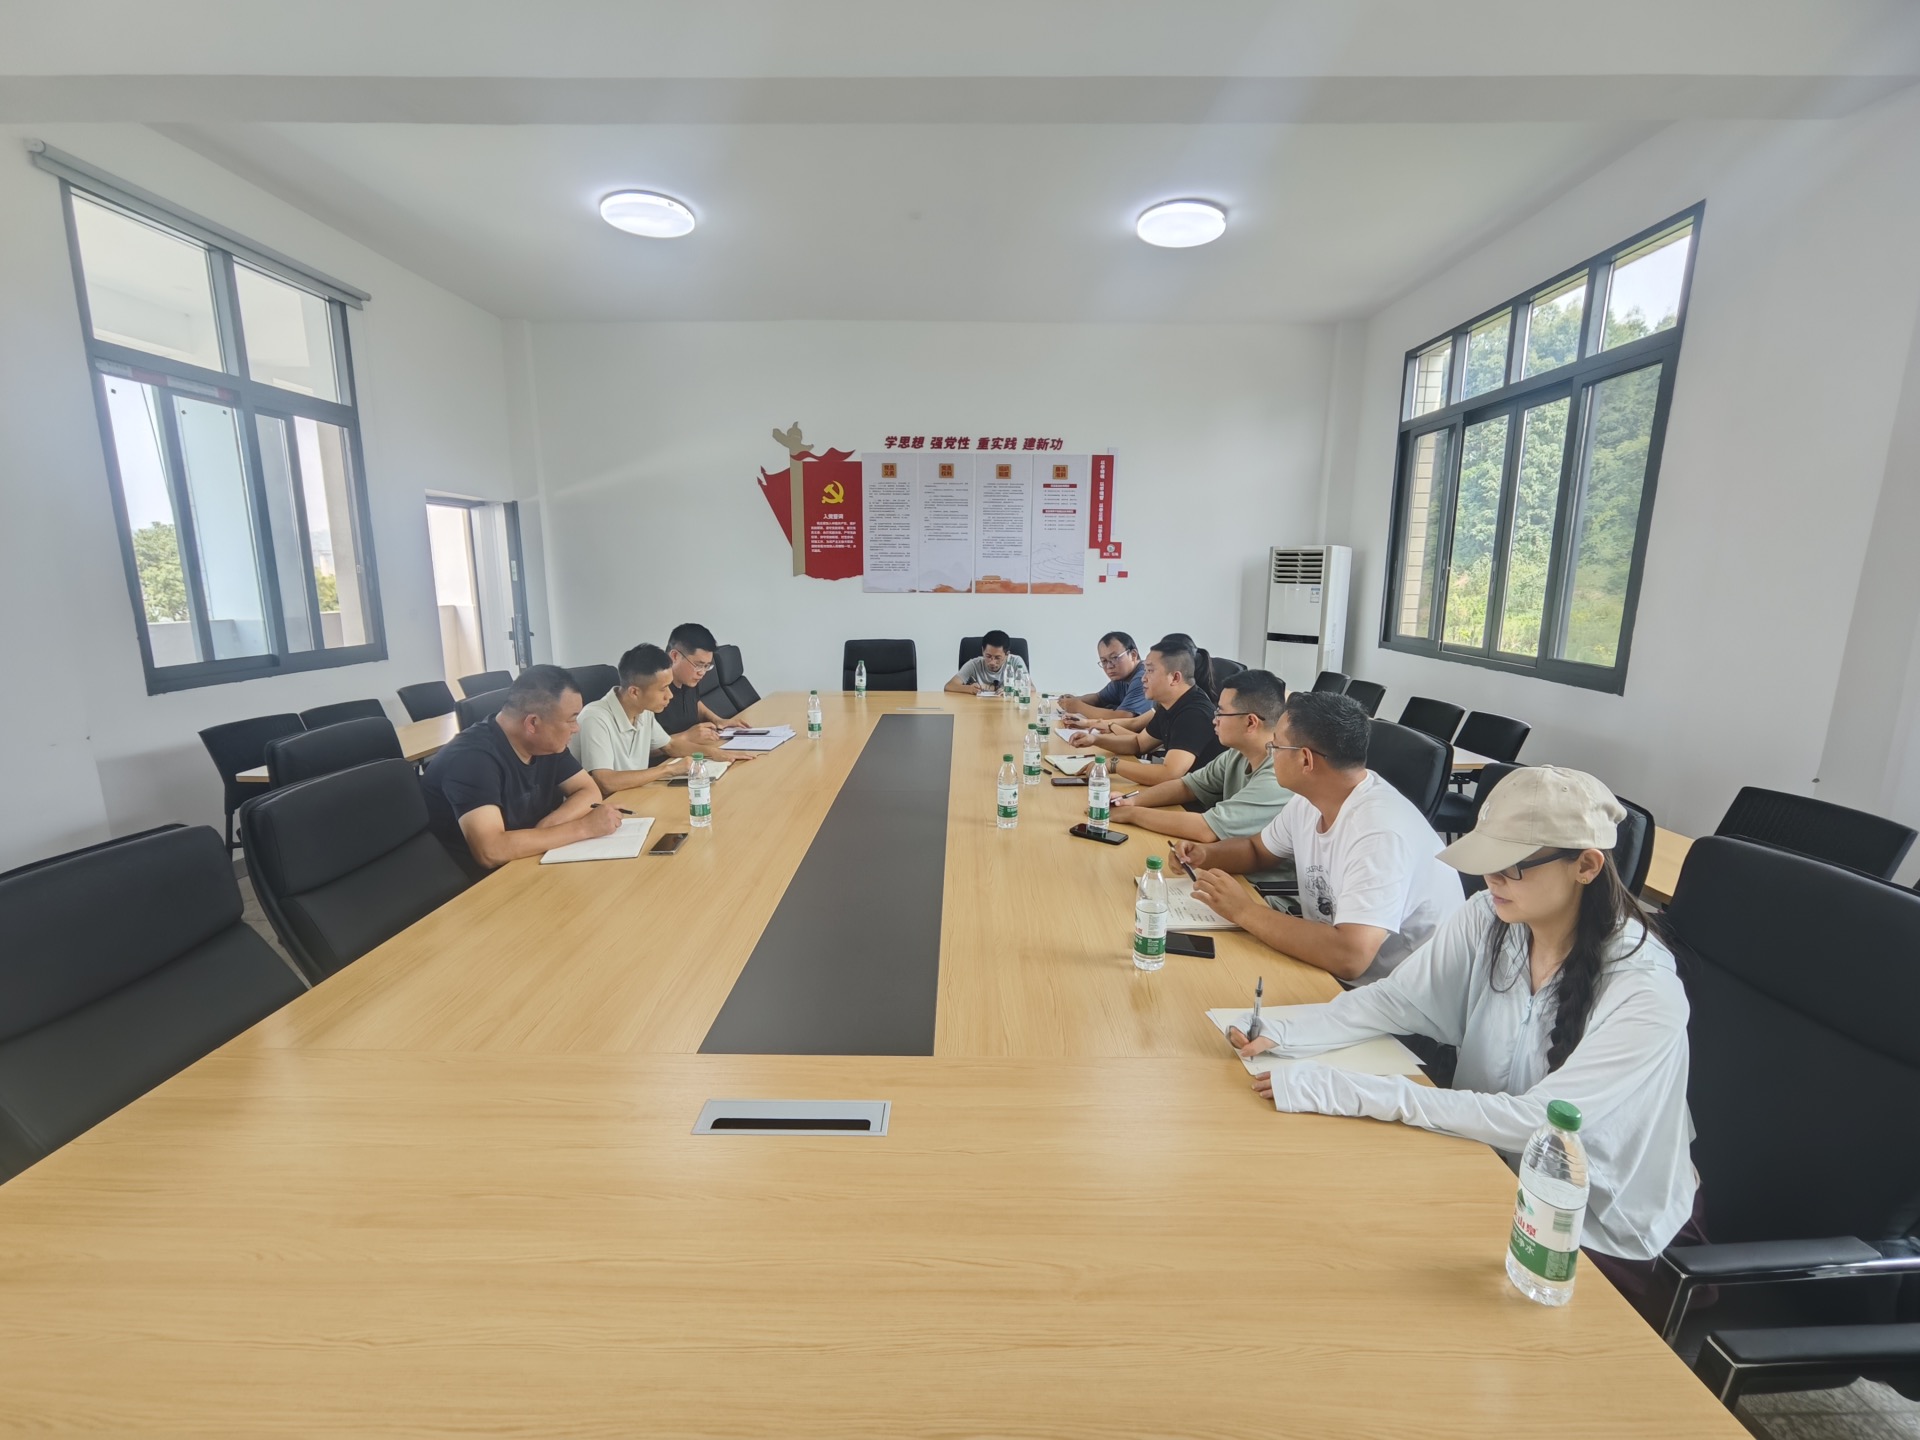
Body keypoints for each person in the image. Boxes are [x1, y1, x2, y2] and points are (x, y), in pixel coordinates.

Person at [1221, 765, 1699, 1290]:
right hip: (1483, 1167)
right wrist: (1287, 1031)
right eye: (1485, 861)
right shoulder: (1491, 918)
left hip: (1592, 1232)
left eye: (1511, 866)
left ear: (1585, 865)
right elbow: (1396, 1000)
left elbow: (1537, 1123)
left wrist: (1350, 1091)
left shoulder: (1644, 991)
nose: (1491, 879)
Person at [1173, 691, 1460, 983]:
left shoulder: (1379, 833)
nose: (1270, 753)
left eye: (1276, 746)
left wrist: (1243, 911)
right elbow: (1257, 850)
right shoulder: (1311, 799)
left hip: (1396, 993)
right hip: (1331, 967)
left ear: (1305, 760)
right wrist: (1206, 855)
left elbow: (1349, 956)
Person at [423, 664, 621, 876]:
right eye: (571, 719)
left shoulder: (546, 743)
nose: (576, 728)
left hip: (526, 859)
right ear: (533, 723)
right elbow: (490, 851)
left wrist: (549, 826)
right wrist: (584, 828)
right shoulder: (471, 759)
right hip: (477, 882)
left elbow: (588, 791)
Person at [1107, 668, 1292, 842]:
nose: (1215, 720)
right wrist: (1131, 801)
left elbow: (1207, 829)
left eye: (1221, 713)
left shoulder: (1277, 776)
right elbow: (1187, 786)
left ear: (1251, 722)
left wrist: (1132, 814)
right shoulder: (1236, 754)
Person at [1068, 633, 1222, 785]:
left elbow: (1168, 774)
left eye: (1150, 670)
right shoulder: (1169, 704)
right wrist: (1095, 740)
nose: (1143, 678)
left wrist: (1114, 764)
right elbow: (1139, 743)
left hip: (1201, 799)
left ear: (1175, 678)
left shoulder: (1194, 714)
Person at [573, 642, 690, 796]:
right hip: (605, 804)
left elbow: (670, 745)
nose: (670, 695)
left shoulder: (644, 711)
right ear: (634, 692)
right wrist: (669, 770)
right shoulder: (594, 718)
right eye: (663, 689)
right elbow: (606, 782)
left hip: (634, 795)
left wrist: (716, 754)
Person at [654, 622, 739, 759]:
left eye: (707, 666)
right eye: (699, 665)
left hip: (693, 754)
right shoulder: (652, 689)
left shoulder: (688, 679)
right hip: (665, 764)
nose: (702, 673)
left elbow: (695, 702)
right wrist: (686, 736)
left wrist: (717, 720)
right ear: (675, 656)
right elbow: (642, 750)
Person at [1059, 631, 1151, 721]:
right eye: (1104, 661)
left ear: (1133, 655)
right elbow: (1099, 698)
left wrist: (1078, 707)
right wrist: (1071, 701)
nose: (1109, 666)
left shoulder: (1143, 677)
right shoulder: (1121, 678)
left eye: (1114, 658)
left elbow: (1123, 717)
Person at [945, 630, 1018, 694]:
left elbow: (1025, 688)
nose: (992, 662)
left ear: (1007, 654)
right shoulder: (974, 664)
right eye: (988, 656)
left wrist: (1010, 691)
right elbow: (949, 686)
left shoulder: (1015, 662)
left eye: (997, 658)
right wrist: (969, 688)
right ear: (983, 651)